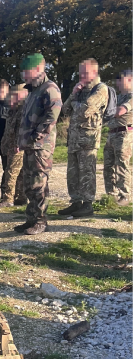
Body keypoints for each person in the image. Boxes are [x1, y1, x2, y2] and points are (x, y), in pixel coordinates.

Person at [15, 53, 62, 235]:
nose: (23, 76)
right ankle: (31, 219)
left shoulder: (49, 89)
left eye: (25, 72)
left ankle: (41, 221)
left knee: (38, 184)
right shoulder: (33, 91)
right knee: (29, 185)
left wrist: (35, 137)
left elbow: (52, 116)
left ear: (37, 70)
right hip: (29, 145)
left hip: (40, 146)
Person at [59, 58, 109, 218]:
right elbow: (64, 110)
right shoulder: (80, 90)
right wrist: (73, 94)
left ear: (94, 73)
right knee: (73, 174)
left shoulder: (101, 89)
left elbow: (84, 110)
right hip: (74, 139)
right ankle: (76, 203)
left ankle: (88, 205)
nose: (81, 76)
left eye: (85, 73)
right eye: (80, 72)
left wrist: (74, 100)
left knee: (87, 173)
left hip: (88, 140)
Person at [104, 69, 133, 206]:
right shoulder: (117, 97)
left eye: (120, 80)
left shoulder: (131, 97)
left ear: (129, 79)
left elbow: (120, 111)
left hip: (124, 134)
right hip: (112, 134)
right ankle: (111, 195)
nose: (118, 83)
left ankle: (124, 196)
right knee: (108, 166)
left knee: (121, 166)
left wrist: (107, 111)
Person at [0, 85, 28, 207]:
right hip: (10, 145)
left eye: (16, 95)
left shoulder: (23, 110)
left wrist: (17, 144)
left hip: (18, 146)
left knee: (12, 172)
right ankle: (20, 197)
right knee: (18, 172)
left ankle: (8, 198)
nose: (12, 98)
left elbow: (21, 129)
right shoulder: (12, 110)